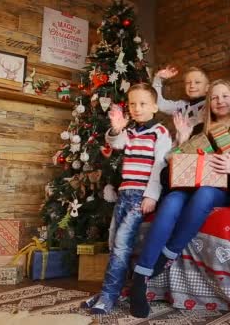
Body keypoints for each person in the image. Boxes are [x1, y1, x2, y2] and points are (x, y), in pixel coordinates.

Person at [129, 79, 230, 318]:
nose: (220, 101)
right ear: (208, 103)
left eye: (224, 96)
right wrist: (182, 142)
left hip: (216, 190)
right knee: (172, 200)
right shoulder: (197, 130)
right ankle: (139, 279)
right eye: (214, 97)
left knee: (204, 194)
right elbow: (170, 169)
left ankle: (168, 254)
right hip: (186, 185)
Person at [83, 83, 172, 314]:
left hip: (139, 197)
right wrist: (115, 129)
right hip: (124, 194)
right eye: (132, 103)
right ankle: (114, 290)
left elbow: (160, 167)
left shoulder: (160, 132)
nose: (137, 108)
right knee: (114, 243)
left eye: (142, 103)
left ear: (154, 106)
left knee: (122, 246)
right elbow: (116, 142)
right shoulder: (130, 131)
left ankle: (108, 296)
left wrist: (151, 195)